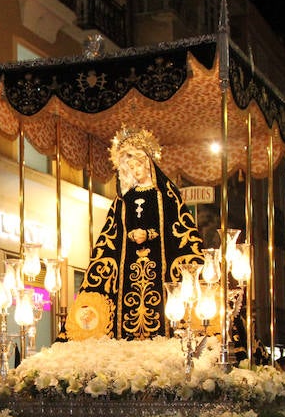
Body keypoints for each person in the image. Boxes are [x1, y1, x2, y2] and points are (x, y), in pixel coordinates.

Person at [67, 126, 204, 341]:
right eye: (130, 166)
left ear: (148, 163)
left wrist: (149, 234)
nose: (135, 170)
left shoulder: (167, 196)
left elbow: (178, 231)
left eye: (138, 164)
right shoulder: (123, 201)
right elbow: (110, 238)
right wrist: (130, 236)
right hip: (127, 272)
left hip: (161, 270)